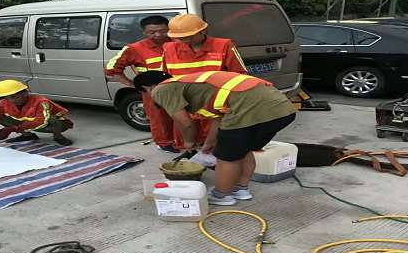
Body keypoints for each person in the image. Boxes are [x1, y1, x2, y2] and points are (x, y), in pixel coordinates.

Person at [133, 70, 296, 206]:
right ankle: (241, 189)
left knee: (226, 157)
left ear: (147, 88)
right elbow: (219, 119)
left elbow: (185, 122)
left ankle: (222, 195)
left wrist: (189, 142)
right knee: (244, 149)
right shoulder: (193, 84)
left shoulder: (161, 90)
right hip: (282, 110)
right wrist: (209, 143)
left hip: (248, 108)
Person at [161, 13, 248, 150]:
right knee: (188, 143)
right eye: (180, 38)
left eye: (189, 37)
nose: (185, 41)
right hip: (184, 105)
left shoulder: (223, 45)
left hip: (214, 106)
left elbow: (240, 75)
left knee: (217, 144)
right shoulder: (169, 48)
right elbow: (165, 77)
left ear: (203, 30)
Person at [104, 15, 178, 153]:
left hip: (179, 88)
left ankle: (182, 141)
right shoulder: (135, 48)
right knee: (159, 118)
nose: (158, 35)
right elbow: (111, 67)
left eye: (163, 31)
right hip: (153, 92)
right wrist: (131, 84)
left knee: (182, 117)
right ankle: (163, 143)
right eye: (152, 32)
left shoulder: (179, 43)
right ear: (144, 32)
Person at [0, 80, 74, 146]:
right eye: (9, 97)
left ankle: (58, 137)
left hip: (53, 125)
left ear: (25, 93)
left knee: (52, 120)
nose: (13, 100)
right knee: (0, 117)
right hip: (27, 122)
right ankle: (28, 136)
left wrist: (14, 128)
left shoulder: (41, 101)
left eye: (16, 96)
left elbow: (41, 121)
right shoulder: (4, 103)